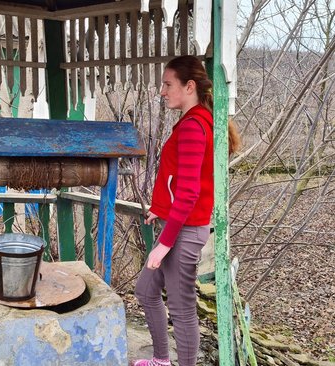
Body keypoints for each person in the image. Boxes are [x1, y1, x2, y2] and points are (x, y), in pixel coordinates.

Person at [133, 55, 240, 366]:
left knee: (181, 308)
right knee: (146, 291)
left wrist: (164, 244)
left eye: (168, 84)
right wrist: (161, 209)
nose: (162, 91)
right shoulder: (195, 121)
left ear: (189, 86)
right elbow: (180, 180)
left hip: (185, 230)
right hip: (178, 223)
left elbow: (191, 192)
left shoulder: (194, 126)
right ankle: (162, 359)